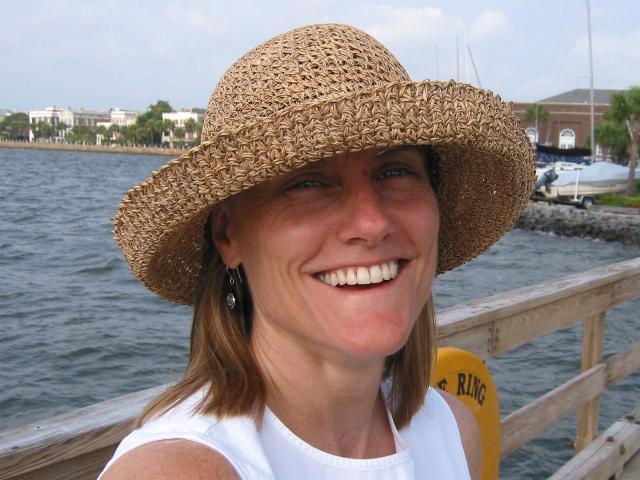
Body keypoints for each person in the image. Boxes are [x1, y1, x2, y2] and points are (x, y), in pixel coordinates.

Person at [99, 23, 534, 480]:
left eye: (395, 171)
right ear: (228, 235)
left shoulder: (452, 428)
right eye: (307, 183)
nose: (372, 223)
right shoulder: (181, 470)